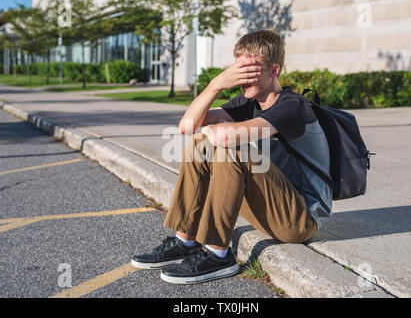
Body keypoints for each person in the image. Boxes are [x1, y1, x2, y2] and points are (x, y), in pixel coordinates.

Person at [131, 29, 332, 285]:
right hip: (271, 206)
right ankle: (186, 240)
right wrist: (216, 84)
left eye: (251, 69)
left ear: (274, 70)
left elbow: (226, 139)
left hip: (299, 219)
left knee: (235, 148)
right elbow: (186, 127)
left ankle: (218, 254)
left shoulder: (293, 106)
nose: (242, 76)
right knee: (199, 142)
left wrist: (217, 132)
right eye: (239, 68)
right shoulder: (247, 102)